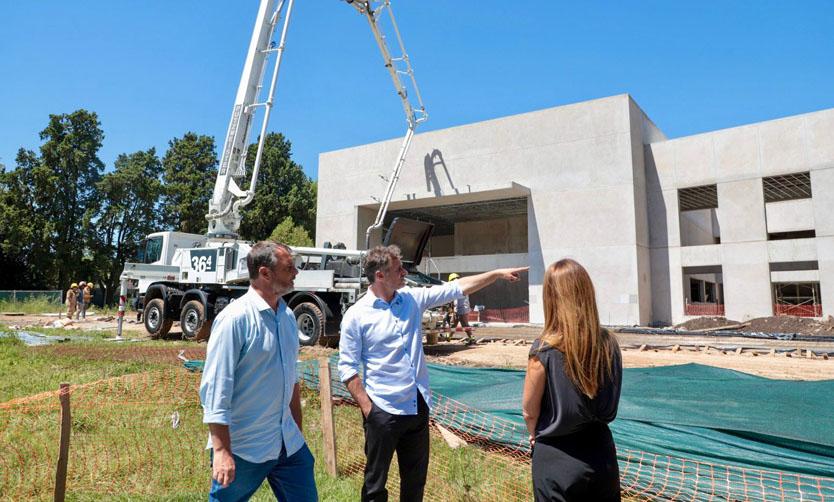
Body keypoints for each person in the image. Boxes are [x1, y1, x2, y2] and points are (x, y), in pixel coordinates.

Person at [338, 244, 527, 502]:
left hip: (416, 407)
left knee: (415, 484)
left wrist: (495, 274)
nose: (405, 272)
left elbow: (456, 288)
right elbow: (347, 368)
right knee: (375, 486)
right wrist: (370, 410)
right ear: (380, 276)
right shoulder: (356, 316)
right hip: (383, 410)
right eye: (399, 269)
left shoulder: (411, 300)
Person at [199, 241, 318, 502]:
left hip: (287, 443)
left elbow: (291, 377)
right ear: (265, 273)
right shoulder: (235, 319)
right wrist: (221, 450)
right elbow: (216, 387)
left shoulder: (286, 316)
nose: (296, 272)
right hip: (245, 447)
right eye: (289, 268)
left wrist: (296, 430)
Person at [521, 259, 623, 502]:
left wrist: (534, 434)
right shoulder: (609, 344)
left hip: (556, 457)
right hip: (602, 454)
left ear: (551, 298)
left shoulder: (543, 351)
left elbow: (529, 411)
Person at [446, 273, 474, 343]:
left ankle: (472, 338)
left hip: (463, 309)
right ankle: (449, 337)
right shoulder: (460, 286)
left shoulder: (460, 287)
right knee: (453, 324)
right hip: (459, 309)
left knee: (465, 325)